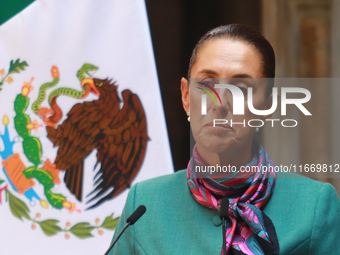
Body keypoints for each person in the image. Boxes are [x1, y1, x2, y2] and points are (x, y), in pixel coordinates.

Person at [108, 24, 340, 255]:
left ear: (268, 105)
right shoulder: (145, 204)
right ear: (186, 96)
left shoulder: (314, 205)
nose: (219, 104)